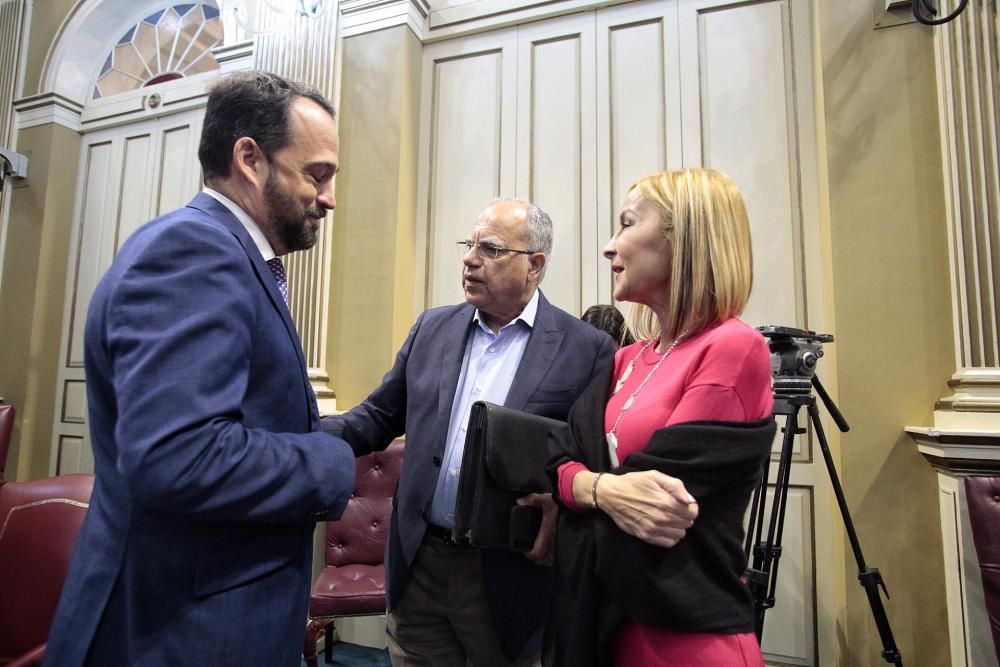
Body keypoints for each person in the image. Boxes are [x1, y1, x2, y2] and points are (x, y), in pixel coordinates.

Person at [44, 71, 356, 666]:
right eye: (316, 174)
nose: (329, 197)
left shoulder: (226, 253)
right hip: (180, 630)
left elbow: (248, 418)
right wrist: (331, 461)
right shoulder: (196, 252)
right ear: (250, 159)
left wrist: (359, 428)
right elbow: (178, 455)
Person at [322, 198, 615, 666]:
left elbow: (591, 460)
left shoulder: (587, 350)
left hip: (509, 577)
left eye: (492, 249)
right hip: (420, 563)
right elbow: (378, 416)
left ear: (535, 265)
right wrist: (307, 434)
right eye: (470, 244)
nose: (470, 258)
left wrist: (561, 508)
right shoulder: (431, 328)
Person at [546, 169, 777, 666]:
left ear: (684, 239)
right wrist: (599, 489)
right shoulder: (626, 360)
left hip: (683, 636)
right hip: (607, 624)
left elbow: (660, 501)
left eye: (627, 224)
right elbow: (558, 460)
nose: (610, 246)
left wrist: (579, 487)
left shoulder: (733, 347)